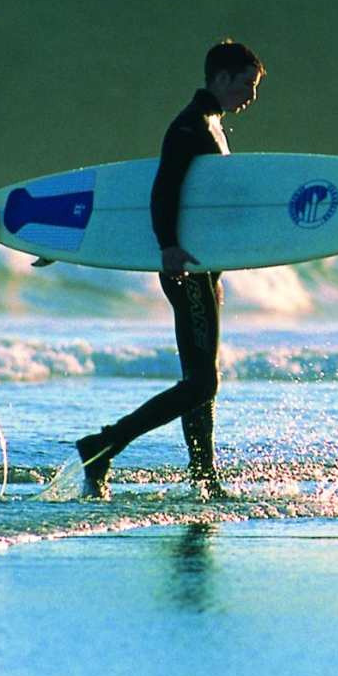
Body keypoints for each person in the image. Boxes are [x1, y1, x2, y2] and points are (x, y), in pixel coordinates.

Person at [75, 40, 265, 500]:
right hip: (185, 266)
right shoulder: (189, 127)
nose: (252, 96)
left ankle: (204, 477)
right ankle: (102, 444)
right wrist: (168, 247)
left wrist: (214, 265)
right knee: (202, 381)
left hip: (203, 268)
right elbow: (164, 191)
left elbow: (204, 202)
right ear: (220, 78)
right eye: (246, 84)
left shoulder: (213, 125)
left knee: (200, 379)